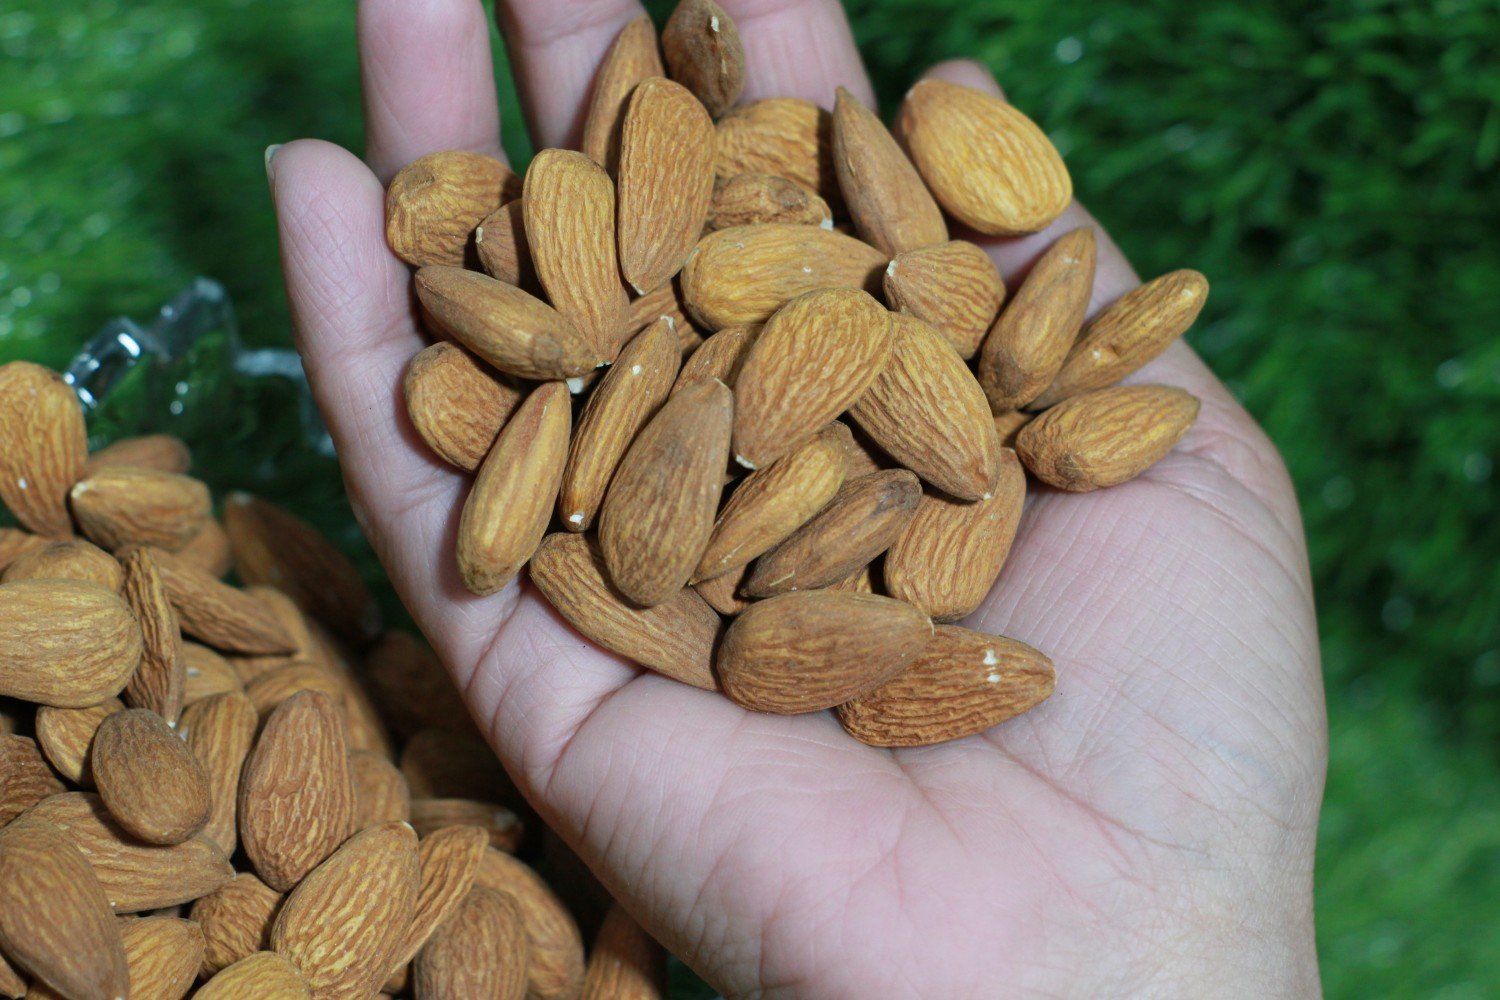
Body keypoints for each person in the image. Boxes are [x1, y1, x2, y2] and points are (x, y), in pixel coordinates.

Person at [266, 1, 1326, 994]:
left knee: (766, 412)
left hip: (751, 480)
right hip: (693, 454)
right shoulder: (676, 355)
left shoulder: (865, 430)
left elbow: (839, 434)